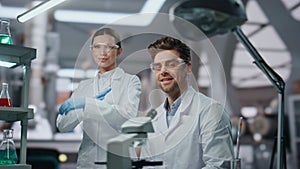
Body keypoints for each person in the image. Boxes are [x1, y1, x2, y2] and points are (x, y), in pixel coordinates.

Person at [140, 36, 234, 169]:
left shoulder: (211, 111)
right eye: (157, 66)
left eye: (171, 65)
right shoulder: (153, 119)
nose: (163, 71)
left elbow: (218, 166)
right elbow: (147, 165)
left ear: (188, 68)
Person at [56, 27, 141, 169]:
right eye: (97, 47)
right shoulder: (84, 86)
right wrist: (82, 110)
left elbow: (126, 116)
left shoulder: (130, 81)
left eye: (109, 47)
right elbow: (62, 126)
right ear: (92, 51)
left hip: (117, 160)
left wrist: (87, 103)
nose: (102, 53)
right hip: (88, 162)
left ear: (119, 51)